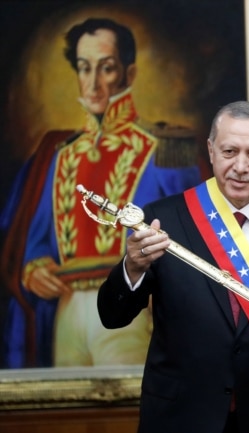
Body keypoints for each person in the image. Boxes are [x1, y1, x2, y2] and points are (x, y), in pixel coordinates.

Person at [96, 101, 249, 433]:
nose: (240, 166)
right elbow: (112, 316)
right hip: (179, 417)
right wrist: (133, 268)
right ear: (211, 151)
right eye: (229, 152)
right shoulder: (163, 218)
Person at [0, 17, 201, 368]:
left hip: (134, 305)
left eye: (106, 68)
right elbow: (36, 240)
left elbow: (194, 237)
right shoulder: (57, 155)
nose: (92, 83)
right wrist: (34, 268)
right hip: (67, 308)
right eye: (84, 68)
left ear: (129, 73)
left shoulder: (165, 152)